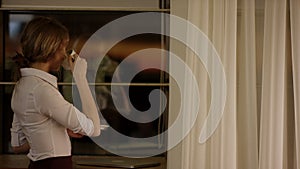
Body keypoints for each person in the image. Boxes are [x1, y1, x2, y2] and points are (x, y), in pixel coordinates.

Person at [10, 16, 101, 169]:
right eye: (62, 48)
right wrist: (79, 77)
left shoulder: (22, 85)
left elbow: (18, 145)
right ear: (50, 50)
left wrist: (55, 130)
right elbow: (93, 129)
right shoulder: (43, 90)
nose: (65, 55)